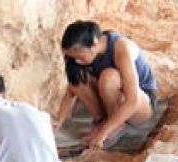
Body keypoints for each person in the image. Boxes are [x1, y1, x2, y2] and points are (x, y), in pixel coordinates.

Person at [55, 20, 159, 149]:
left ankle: (114, 126)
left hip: (141, 104)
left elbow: (133, 100)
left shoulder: (121, 47)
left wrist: (103, 133)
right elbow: (72, 89)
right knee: (79, 81)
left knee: (109, 77)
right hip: (116, 102)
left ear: (93, 45)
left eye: (80, 57)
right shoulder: (89, 51)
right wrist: (58, 121)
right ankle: (102, 120)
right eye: (73, 58)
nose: (77, 61)